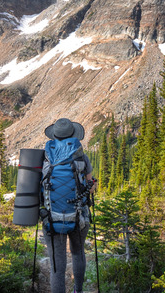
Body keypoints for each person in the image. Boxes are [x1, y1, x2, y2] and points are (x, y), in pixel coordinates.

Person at [41, 118, 96, 293]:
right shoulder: (82, 158)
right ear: (73, 135)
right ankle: (78, 291)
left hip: (51, 217)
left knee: (57, 264)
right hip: (79, 216)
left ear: (54, 136)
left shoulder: (45, 157)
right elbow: (91, 187)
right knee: (78, 253)